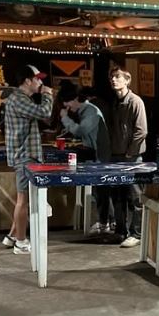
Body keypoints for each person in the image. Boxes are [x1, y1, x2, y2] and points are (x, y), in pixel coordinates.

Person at [2, 65, 53, 255]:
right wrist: (48, 96)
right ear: (27, 81)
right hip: (24, 156)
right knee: (23, 201)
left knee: (24, 199)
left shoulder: (21, 99)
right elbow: (44, 113)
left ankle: (12, 236)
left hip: (26, 155)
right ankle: (21, 242)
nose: (41, 83)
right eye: (38, 79)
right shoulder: (18, 99)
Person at [58, 86, 114, 234]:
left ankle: (107, 223)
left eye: (68, 104)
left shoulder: (91, 111)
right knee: (98, 191)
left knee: (102, 190)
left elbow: (81, 130)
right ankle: (105, 222)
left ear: (76, 99)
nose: (67, 108)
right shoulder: (84, 111)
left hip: (100, 156)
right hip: (94, 155)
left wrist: (65, 118)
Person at [107, 67, 147, 248]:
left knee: (135, 196)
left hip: (131, 157)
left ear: (127, 80)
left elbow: (142, 131)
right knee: (117, 196)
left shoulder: (135, 102)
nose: (113, 80)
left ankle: (136, 233)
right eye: (112, 77)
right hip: (116, 156)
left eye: (117, 77)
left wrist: (131, 152)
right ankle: (120, 231)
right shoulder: (115, 102)